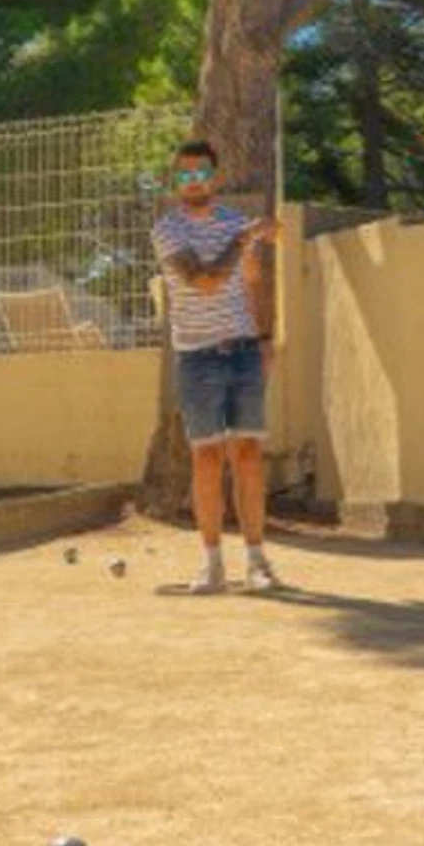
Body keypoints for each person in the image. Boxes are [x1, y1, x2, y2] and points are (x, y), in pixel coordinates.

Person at [152, 139, 280, 594]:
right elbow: (204, 281)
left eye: (202, 173)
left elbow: (252, 282)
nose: (194, 182)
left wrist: (265, 339)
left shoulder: (233, 222)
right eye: (185, 175)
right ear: (176, 181)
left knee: (248, 456)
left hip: (243, 351)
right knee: (206, 459)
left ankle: (257, 562)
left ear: (216, 176)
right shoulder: (168, 230)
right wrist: (245, 238)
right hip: (197, 356)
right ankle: (212, 565)